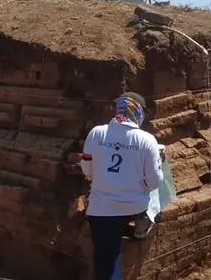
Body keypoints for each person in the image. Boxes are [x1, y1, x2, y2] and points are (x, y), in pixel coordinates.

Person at [80, 92, 164, 280]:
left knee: (106, 265)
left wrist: (101, 179)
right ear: (138, 112)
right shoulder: (147, 140)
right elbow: (154, 182)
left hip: (101, 210)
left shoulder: (96, 132)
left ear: (119, 109)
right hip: (134, 207)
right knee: (160, 175)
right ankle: (143, 222)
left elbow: (87, 169)